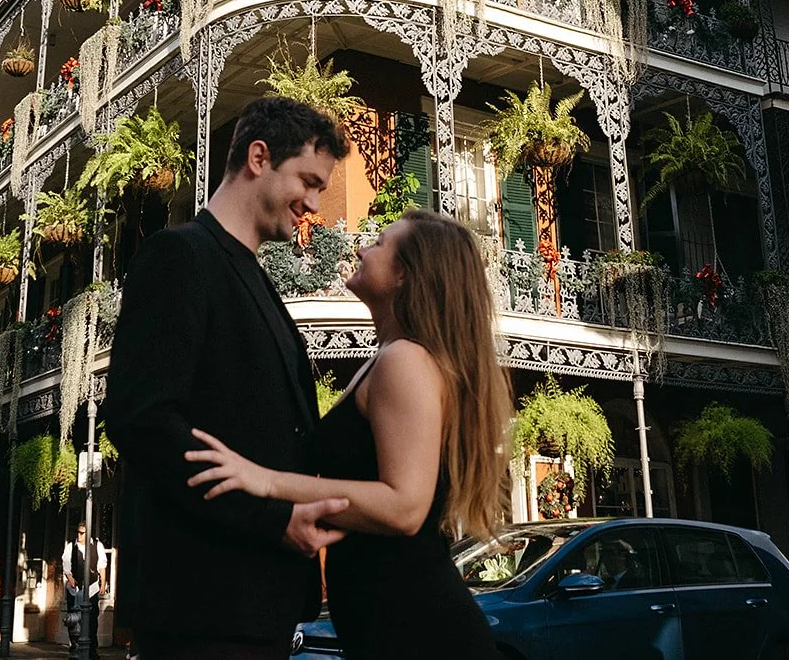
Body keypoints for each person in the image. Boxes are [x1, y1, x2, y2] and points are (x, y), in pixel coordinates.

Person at [184, 208, 512, 660]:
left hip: (417, 626)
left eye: (379, 243)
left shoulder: (404, 362)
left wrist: (264, 480)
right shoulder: (389, 359)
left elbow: (404, 507)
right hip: (388, 620)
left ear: (404, 275)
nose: (361, 247)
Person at [105, 96, 353, 660]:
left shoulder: (257, 279)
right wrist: (272, 521)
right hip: (201, 610)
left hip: (257, 609)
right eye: (308, 182)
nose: (314, 204)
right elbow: (144, 420)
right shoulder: (180, 255)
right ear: (259, 158)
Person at [60, 521, 108, 650]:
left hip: (92, 588)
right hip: (75, 589)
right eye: (77, 532)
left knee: (92, 620)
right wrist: (70, 579)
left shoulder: (97, 546)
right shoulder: (71, 546)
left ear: (88, 534)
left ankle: (92, 648)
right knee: (74, 619)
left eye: (82, 533)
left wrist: (103, 584)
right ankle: (75, 647)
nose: (79, 536)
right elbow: (66, 567)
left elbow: (102, 566)